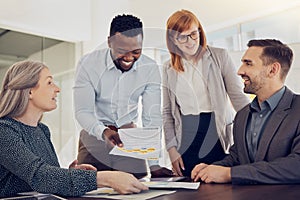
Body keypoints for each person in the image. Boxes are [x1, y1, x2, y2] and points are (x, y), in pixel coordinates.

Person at [0, 60, 148, 198]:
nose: (57, 89)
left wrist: (70, 174)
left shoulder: (43, 130)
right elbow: (40, 177)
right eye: (49, 82)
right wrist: (105, 178)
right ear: (30, 91)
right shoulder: (4, 131)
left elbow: (46, 179)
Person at [73, 14, 173, 179]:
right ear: (109, 42)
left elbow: (151, 117)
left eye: (136, 52)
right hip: (94, 136)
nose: (128, 58)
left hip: (130, 138)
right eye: (121, 51)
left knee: (138, 188)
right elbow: (83, 111)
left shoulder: (149, 68)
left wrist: (153, 163)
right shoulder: (88, 64)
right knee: (90, 189)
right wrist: (104, 131)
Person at [191, 39, 300, 184]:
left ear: (273, 70)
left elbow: (296, 165)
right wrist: (212, 168)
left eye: (248, 63)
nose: (239, 71)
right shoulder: (242, 115)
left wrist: (231, 174)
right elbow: (237, 157)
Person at [163, 9, 250, 177]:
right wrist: (171, 149)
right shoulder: (168, 68)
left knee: (218, 187)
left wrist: (260, 122)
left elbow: (237, 97)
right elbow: (167, 113)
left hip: (215, 132)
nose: (190, 42)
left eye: (193, 34)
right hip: (186, 138)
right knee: (189, 187)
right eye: (182, 37)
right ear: (173, 39)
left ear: (200, 32)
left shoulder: (219, 56)